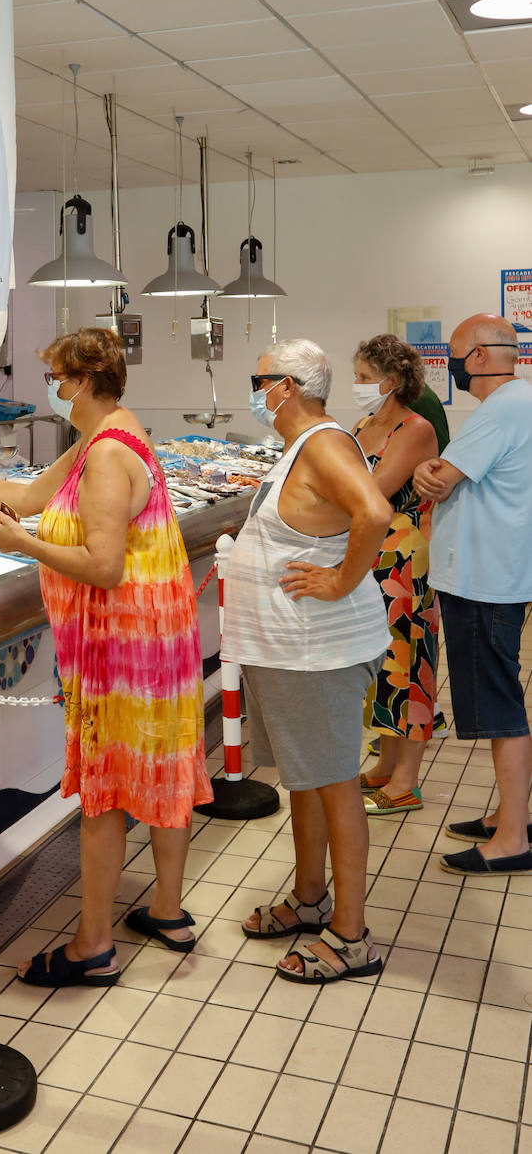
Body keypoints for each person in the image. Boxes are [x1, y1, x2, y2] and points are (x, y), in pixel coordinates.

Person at [0, 327, 213, 986]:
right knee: (160, 771)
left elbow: (100, 566)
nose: (52, 388)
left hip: (120, 644)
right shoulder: (113, 433)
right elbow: (33, 494)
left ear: (83, 382)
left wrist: (25, 546)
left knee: (105, 795)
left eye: (57, 377)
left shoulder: (103, 457)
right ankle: (167, 911)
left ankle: (93, 946)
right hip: (157, 635)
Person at [221, 339, 391, 984]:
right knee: (309, 779)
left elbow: (373, 511)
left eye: (258, 379)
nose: (255, 389)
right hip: (288, 649)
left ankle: (351, 936)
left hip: (316, 651)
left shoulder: (322, 442)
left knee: (334, 783)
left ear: (285, 387)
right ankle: (311, 896)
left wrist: (343, 580)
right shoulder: (302, 445)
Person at [414, 314, 532, 876]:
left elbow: (441, 477)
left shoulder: (502, 408)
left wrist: (427, 471)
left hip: (483, 580)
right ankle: (511, 815)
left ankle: (510, 839)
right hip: (498, 573)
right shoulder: (519, 403)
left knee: (498, 706)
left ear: (480, 356)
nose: (452, 367)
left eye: (455, 356)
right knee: (500, 698)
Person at [352, 336, 442, 814]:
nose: (358, 386)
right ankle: (385, 764)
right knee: (381, 666)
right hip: (367, 558)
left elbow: (372, 490)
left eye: (364, 378)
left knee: (408, 668)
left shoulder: (415, 429)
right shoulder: (365, 424)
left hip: (403, 563)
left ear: (390, 381)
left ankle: (406, 780)